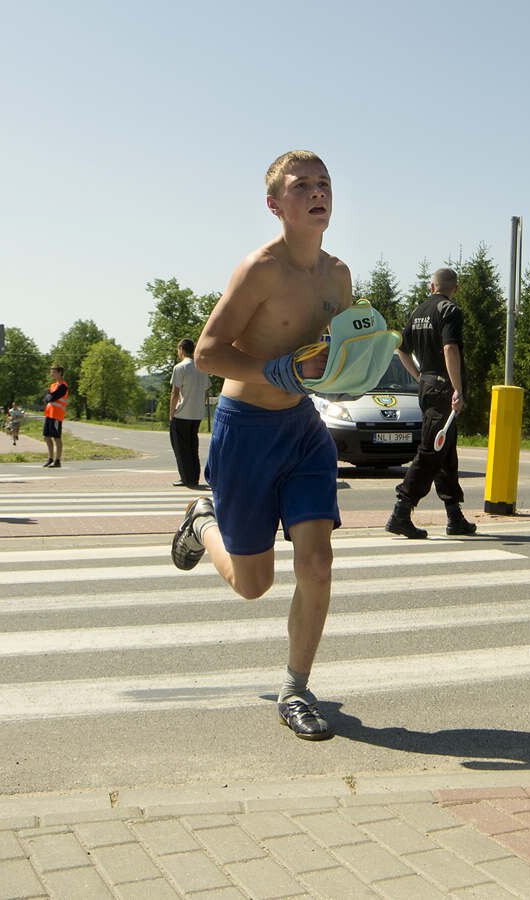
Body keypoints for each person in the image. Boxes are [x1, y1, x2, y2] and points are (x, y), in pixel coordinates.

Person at [169, 149, 347, 741]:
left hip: (303, 431)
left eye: (324, 184)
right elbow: (207, 353)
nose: (317, 192)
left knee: (317, 562)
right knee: (254, 585)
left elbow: (340, 348)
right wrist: (278, 370)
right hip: (245, 431)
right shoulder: (260, 269)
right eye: (303, 186)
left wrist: (354, 366)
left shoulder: (338, 275)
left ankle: (296, 689)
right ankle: (202, 522)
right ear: (275, 205)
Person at [385, 268, 477, 539]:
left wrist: (419, 377)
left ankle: (454, 516)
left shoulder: (418, 312)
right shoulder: (450, 311)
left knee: (445, 452)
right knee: (430, 451)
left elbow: (401, 349)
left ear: (431, 286)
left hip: (427, 386)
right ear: (455, 288)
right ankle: (401, 511)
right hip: (443, 389)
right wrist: (457, 389)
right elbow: (450, 348)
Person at [169, 338, 212, 488]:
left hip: (182, 413)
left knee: (181, 448)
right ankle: (194, 476)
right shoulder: (201, 367)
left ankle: (186, 478)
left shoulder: (180, 367)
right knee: (193, 446)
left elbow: (175, 393)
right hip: (197, 413)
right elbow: (205, 391)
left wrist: (171, 412)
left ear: (181, 349)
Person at [41, 365, 67, 468]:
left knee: (57, 437)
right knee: (46, 436)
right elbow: (46, 398)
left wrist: (49, 397)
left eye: (54, 372)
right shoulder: (53, 385)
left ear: (60, 373)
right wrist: (49, 397)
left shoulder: (63, 386)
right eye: (51, 372)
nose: (51, 374)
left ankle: (58, 460)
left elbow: (52, 397)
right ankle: (50, 458)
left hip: (57, 415)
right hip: (49, 414)